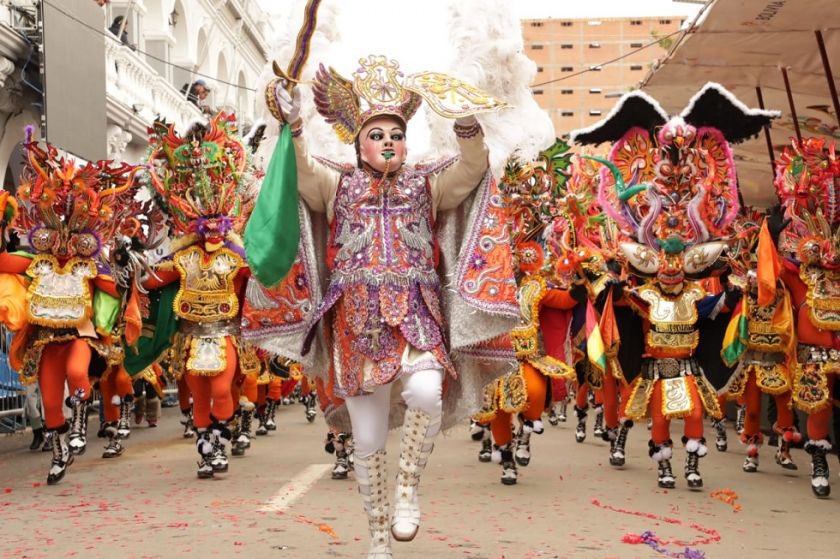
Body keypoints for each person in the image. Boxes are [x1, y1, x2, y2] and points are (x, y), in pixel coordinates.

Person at [253, 55, 517, 558]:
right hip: (357, 325)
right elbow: (301, 170)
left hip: (417, 316)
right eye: (377, 135)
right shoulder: (336, 184)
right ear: (359, 144)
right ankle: (378, 538)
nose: (389, 142)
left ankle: (408, 488)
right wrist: (293, 122)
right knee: (368, 438)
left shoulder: (426, 184)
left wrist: (464, 120)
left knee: (426, 392)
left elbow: (472, 169)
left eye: (397, 134)